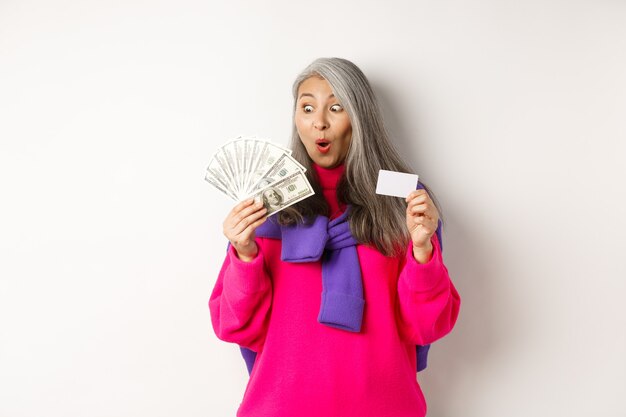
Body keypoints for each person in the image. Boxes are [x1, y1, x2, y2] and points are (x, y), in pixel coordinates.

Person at [209, 57, 461, 417]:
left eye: (336, 107)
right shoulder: (267, 208)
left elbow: (427, 326)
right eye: (307, 107)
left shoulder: (403, 203)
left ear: (360, 118)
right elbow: (234, 325)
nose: (319, 123)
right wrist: (244, 254)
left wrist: (423, 251)